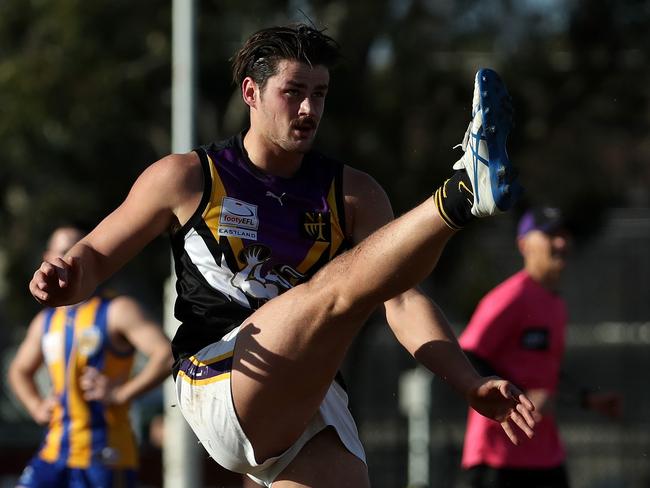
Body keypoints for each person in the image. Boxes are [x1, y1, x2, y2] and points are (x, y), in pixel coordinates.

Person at [29, 24, 536, 488]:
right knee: (337, 292)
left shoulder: (353, 193)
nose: (308, 111)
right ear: (251, 92)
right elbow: (94, 255)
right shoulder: (187, 176)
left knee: (351, 289)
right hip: (222, 376)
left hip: (310, 401)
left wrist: (469, 382)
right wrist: (65, 274)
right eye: (293, 92)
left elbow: (402, 299)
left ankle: (466, 191)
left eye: (319, 95)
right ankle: (463, 192)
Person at [458, 206, 623, 488]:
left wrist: (586, 399)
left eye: (563, 235)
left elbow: (544, 373)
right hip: (499, 456)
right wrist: (515, 398)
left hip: (545, 456)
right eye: (550, 235)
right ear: (524, 245)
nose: (561, 242)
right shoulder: (510, 297)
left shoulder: (555, 304)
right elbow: (467, 356)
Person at [11, 225, 173, 488]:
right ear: (47, 256)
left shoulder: (118, 310)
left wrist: (121, 393)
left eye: (77, 251)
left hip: (105, 453)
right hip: (54, 450)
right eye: (62, 251)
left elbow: (166, 355)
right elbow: (19, 370)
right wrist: (35, 405)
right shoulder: (46, 320)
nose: (68, 260)